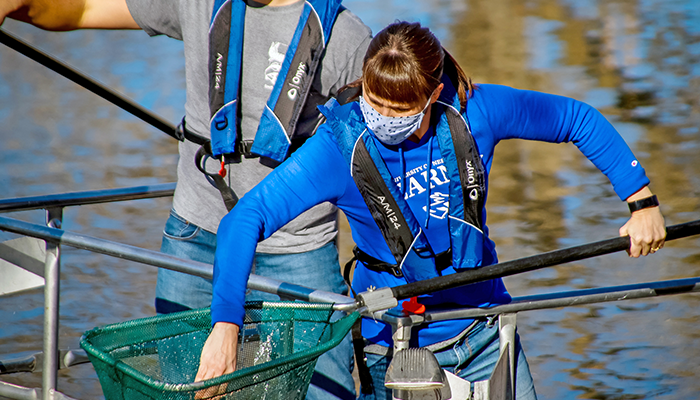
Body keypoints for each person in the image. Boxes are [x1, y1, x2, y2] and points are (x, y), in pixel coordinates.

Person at [196, 21, 667, 399]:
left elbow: (576, 119)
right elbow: (245, 219)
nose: (379, 117)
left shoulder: (476, 111)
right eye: (372, 101)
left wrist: (641, 200)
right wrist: (226, 326)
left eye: (397, 110)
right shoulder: (336, 150)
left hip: (485, 329)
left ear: (433, 96)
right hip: (395, 341)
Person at [1, 1, 372, 399]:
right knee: (185, 388)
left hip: (297, 248)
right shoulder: (197, 4)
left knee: (327, 392)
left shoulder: (347, 37)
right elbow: (78, 10)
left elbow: (390, 144)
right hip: (196, 238)